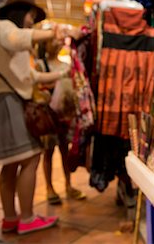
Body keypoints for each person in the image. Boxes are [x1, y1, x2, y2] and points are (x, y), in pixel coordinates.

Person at [0, 0, 75, 235]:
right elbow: (17, 38)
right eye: (31, 16)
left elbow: (31, 76)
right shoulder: (3, 27)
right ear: (20, 12)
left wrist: (62, 75)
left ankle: (10, 218)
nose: (31, 21)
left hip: (4, 103)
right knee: (30, 158)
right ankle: (27, 218)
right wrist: (54, 32)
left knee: (11, 164)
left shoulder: (7, 40)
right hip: (6, 103)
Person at [37, 35, 86, 205]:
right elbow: (37, 87)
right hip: (47, 116)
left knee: (65, 150)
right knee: (48, 152)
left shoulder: (66, 65)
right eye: (53, 41)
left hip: (64, 116)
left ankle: (68, 185)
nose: (58, 43)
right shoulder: (40, 65)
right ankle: (49, 188)